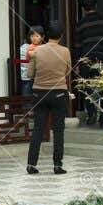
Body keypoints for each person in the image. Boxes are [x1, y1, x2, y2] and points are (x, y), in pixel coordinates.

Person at [25, 25, 72, 175]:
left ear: (46, 36)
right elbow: (68, 70)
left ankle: (31, 164)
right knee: (58, 130)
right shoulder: (65, 51)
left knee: (38, 129)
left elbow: (30, 74)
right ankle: (57, 165)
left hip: (39, 93)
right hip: (59, 93)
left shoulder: (37, 51)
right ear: (61, 36)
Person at [74, 0, 103, 124]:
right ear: (96, 6)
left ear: (83, 8)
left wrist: (77, 63)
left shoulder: (80, 24)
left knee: (88, 87)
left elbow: (77, 45)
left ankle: (91, 113)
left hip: (87, 60)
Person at [16, 26, 44, 96]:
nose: (34, 38)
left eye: (37, 36)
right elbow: (19, 62)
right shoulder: (24, 48)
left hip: (41, 80)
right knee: (26, 100)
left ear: (43, 37)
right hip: (27, 79)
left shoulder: (45, 48)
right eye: (32, 36)